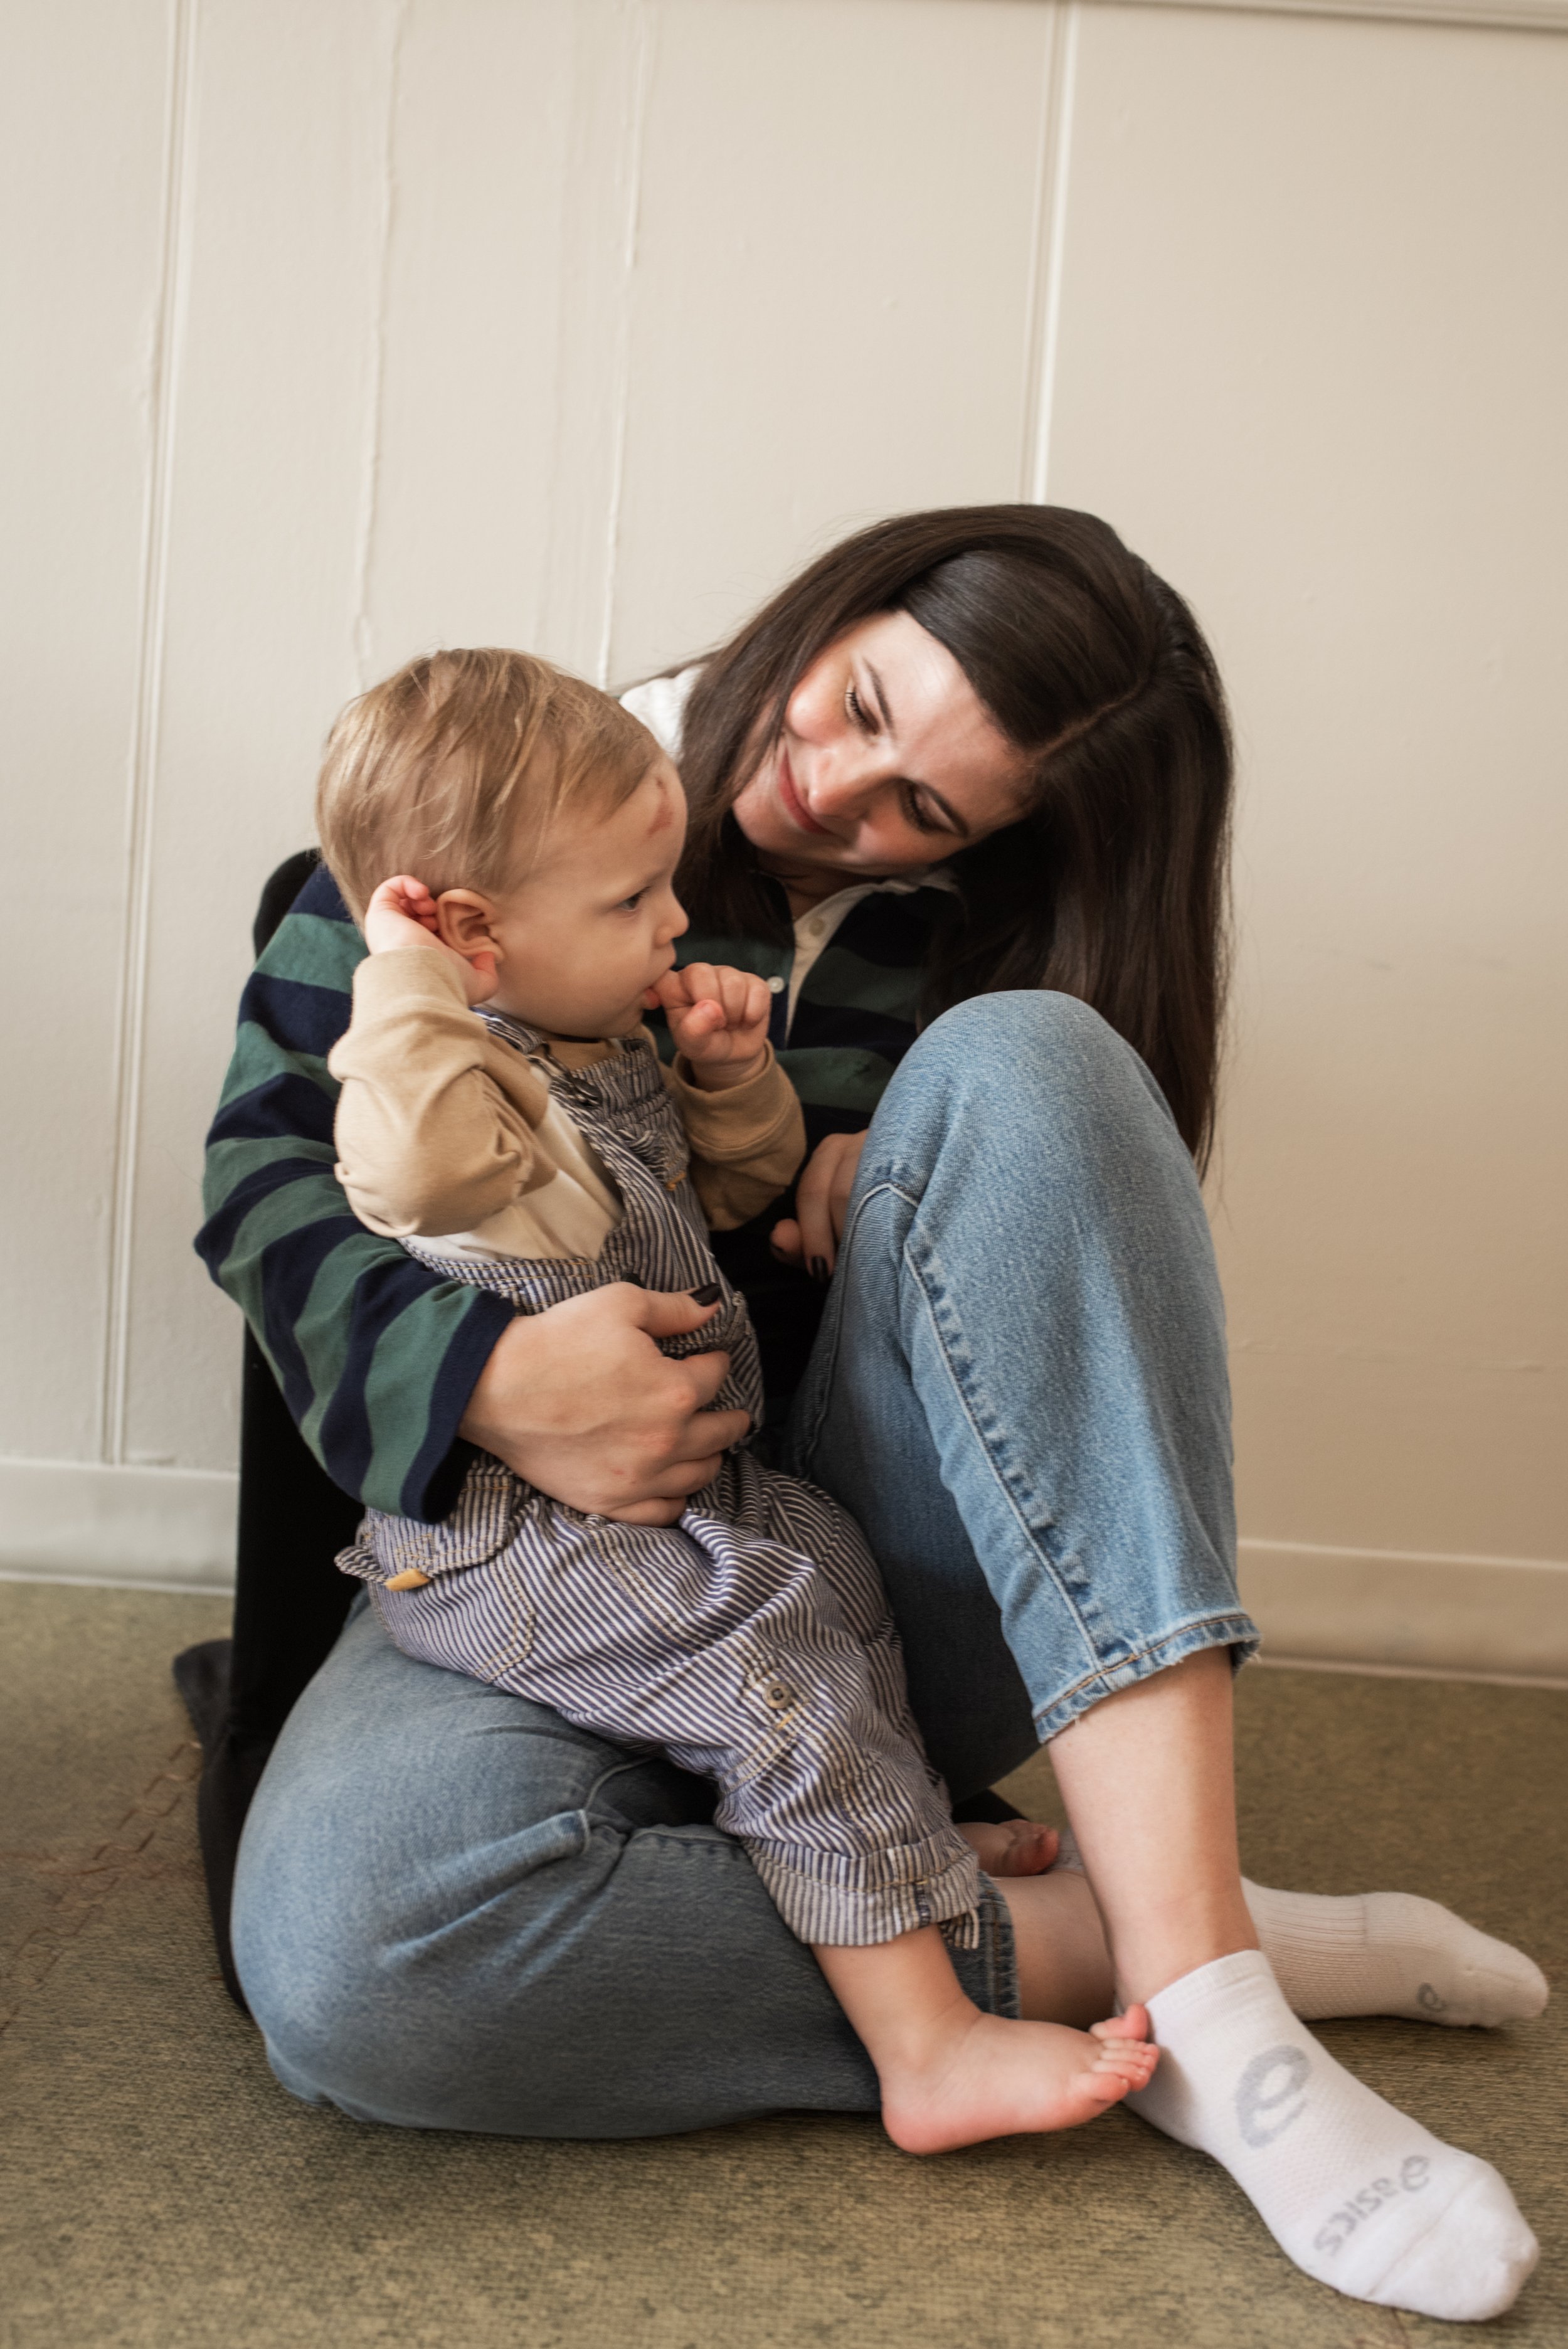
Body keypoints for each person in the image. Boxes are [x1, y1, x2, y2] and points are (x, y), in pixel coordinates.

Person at [199, 507, 1544, 2321]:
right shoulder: (470, 838)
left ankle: (1215, 2016)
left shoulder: (973, 948)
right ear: (831, 610)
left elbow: (1033, 1340)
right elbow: (273, 1197)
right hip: (536, 1569)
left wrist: (898, 1160)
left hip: (856, 1562)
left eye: (928, 805)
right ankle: (1121, 1942)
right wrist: (493, 1384)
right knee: (366, 1964)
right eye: (854, 705)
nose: (837, 792)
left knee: (1035, 1060)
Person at [318, 645, 1158, 2146]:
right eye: (632, 904)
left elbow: (749, 1184)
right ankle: (927, 2043)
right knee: (770, 1656)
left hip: (699, 1489)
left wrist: (722, 1081)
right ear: (471, 935)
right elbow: (415, 1169)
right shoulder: (448, 1076)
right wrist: (407, 985)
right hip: (524, 1533)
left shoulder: (601, 1033)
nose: (674, 921)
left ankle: (895, 1838)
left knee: (828, 1571)